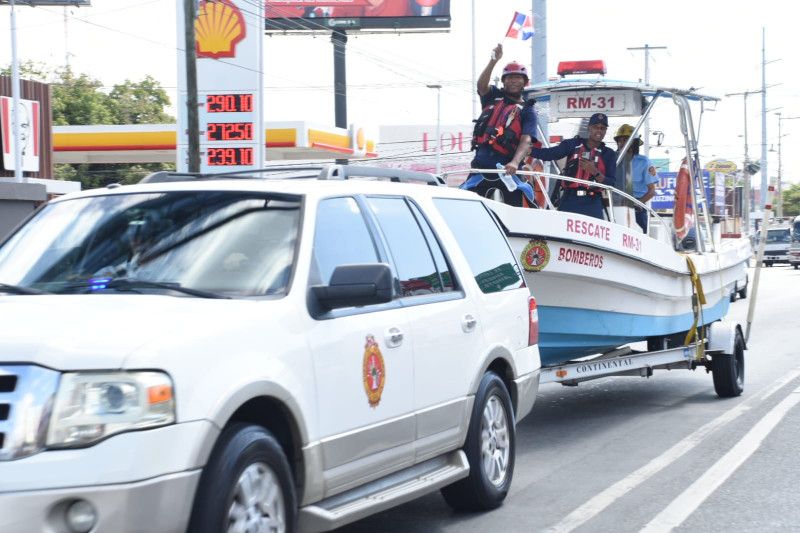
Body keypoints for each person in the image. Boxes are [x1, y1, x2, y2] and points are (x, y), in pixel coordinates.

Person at [460, 43, 537, 207]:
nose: (514, 81)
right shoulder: (493, 96)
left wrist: (515, 162)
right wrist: (493, 61)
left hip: (508, 170)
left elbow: (526, 140)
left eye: (518, 78)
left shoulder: (527, 111)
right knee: (469, 206)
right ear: (504, 81)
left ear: (525, 83)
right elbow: (481, 86)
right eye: (509, 77)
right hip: (481, 168)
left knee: (515, 209)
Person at [529, 113, 616, 219]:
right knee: (561, 231)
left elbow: (611, 183)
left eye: (602, 128)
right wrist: (528, 151)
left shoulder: (609, 154)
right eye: (595, 127)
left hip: (593, 203)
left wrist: (595, 172)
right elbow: (550, 154)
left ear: (606, 130)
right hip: (569, 199)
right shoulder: (573, 144)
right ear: (589, 128)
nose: (599, 131)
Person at [614, 124, 659, 232]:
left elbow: (652, 191)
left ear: (634, 143)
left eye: (626, 140)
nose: (622, 143)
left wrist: (638, 203)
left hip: (637, 210)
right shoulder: (611, 159)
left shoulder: (644, 162)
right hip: (613, 207)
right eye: (620, 140)